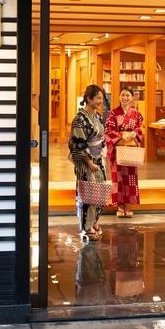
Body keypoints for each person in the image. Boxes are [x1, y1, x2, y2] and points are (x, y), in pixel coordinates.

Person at [69, 84, 107, 242]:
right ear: (89, 99)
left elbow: (102, 139)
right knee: (88, 194)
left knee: (99, 192)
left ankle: (94, 220)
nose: (101, 101)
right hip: (86, 163)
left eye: (101, 98)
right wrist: (89, 162)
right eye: (98, 98)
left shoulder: (97, 116)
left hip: (98, 160)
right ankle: (87, 226)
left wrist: (102, 156)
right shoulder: (79, 119)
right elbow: (78, 143)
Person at [105, 86, 145, 218]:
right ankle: (119, 206)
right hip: (117, 149)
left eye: (128, 95)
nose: (125, 98)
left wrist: (134, 133)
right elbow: (109, 130)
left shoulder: (136, 114)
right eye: (122, 95)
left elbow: (140, 128)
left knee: (130, 178)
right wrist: (121, 135)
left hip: (130, 149)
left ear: (132, 97)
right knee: (118, 178)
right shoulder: (113, 113)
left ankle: (127, 206)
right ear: (119, 96)